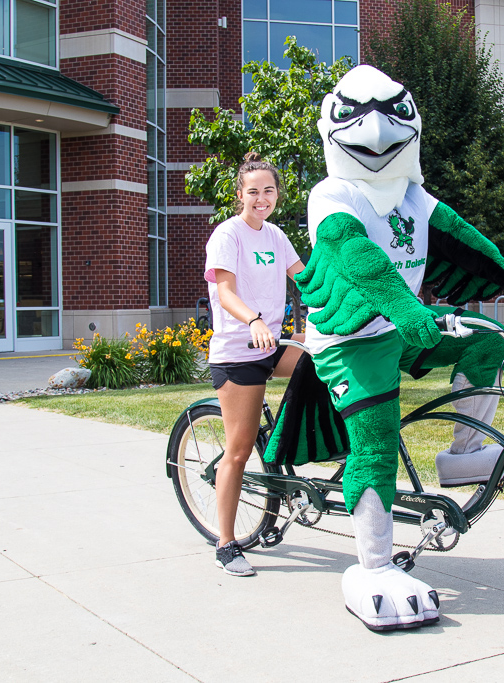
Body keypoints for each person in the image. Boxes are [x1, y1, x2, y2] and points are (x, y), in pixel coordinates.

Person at [203, 152, 304, 576]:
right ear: (240, 194)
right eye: (253, 191)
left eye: (268, 190)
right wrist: (255, 319)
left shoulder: (277, 236)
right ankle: (226, 544)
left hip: (273, 344)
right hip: (237, 351)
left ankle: (290, 437)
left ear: (277, 193)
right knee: (239, 449)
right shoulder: (228, 235)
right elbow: (225, 292)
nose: (261, 198)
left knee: (322, 366)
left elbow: (308, 278)